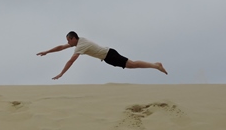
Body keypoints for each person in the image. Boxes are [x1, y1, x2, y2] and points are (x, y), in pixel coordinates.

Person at [37, 31, 168, 80]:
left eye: (68, 40)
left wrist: (61, 74)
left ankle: (156, 65)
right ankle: (155, 65)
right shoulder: (78, 42)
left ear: (73, 38)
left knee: (132, 64)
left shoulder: (81, 45)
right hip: (107, 57)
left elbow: (71, 61)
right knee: (131, 65)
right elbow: (61, 47)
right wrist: (47, 52)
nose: (67, 43)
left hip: (110, 55)